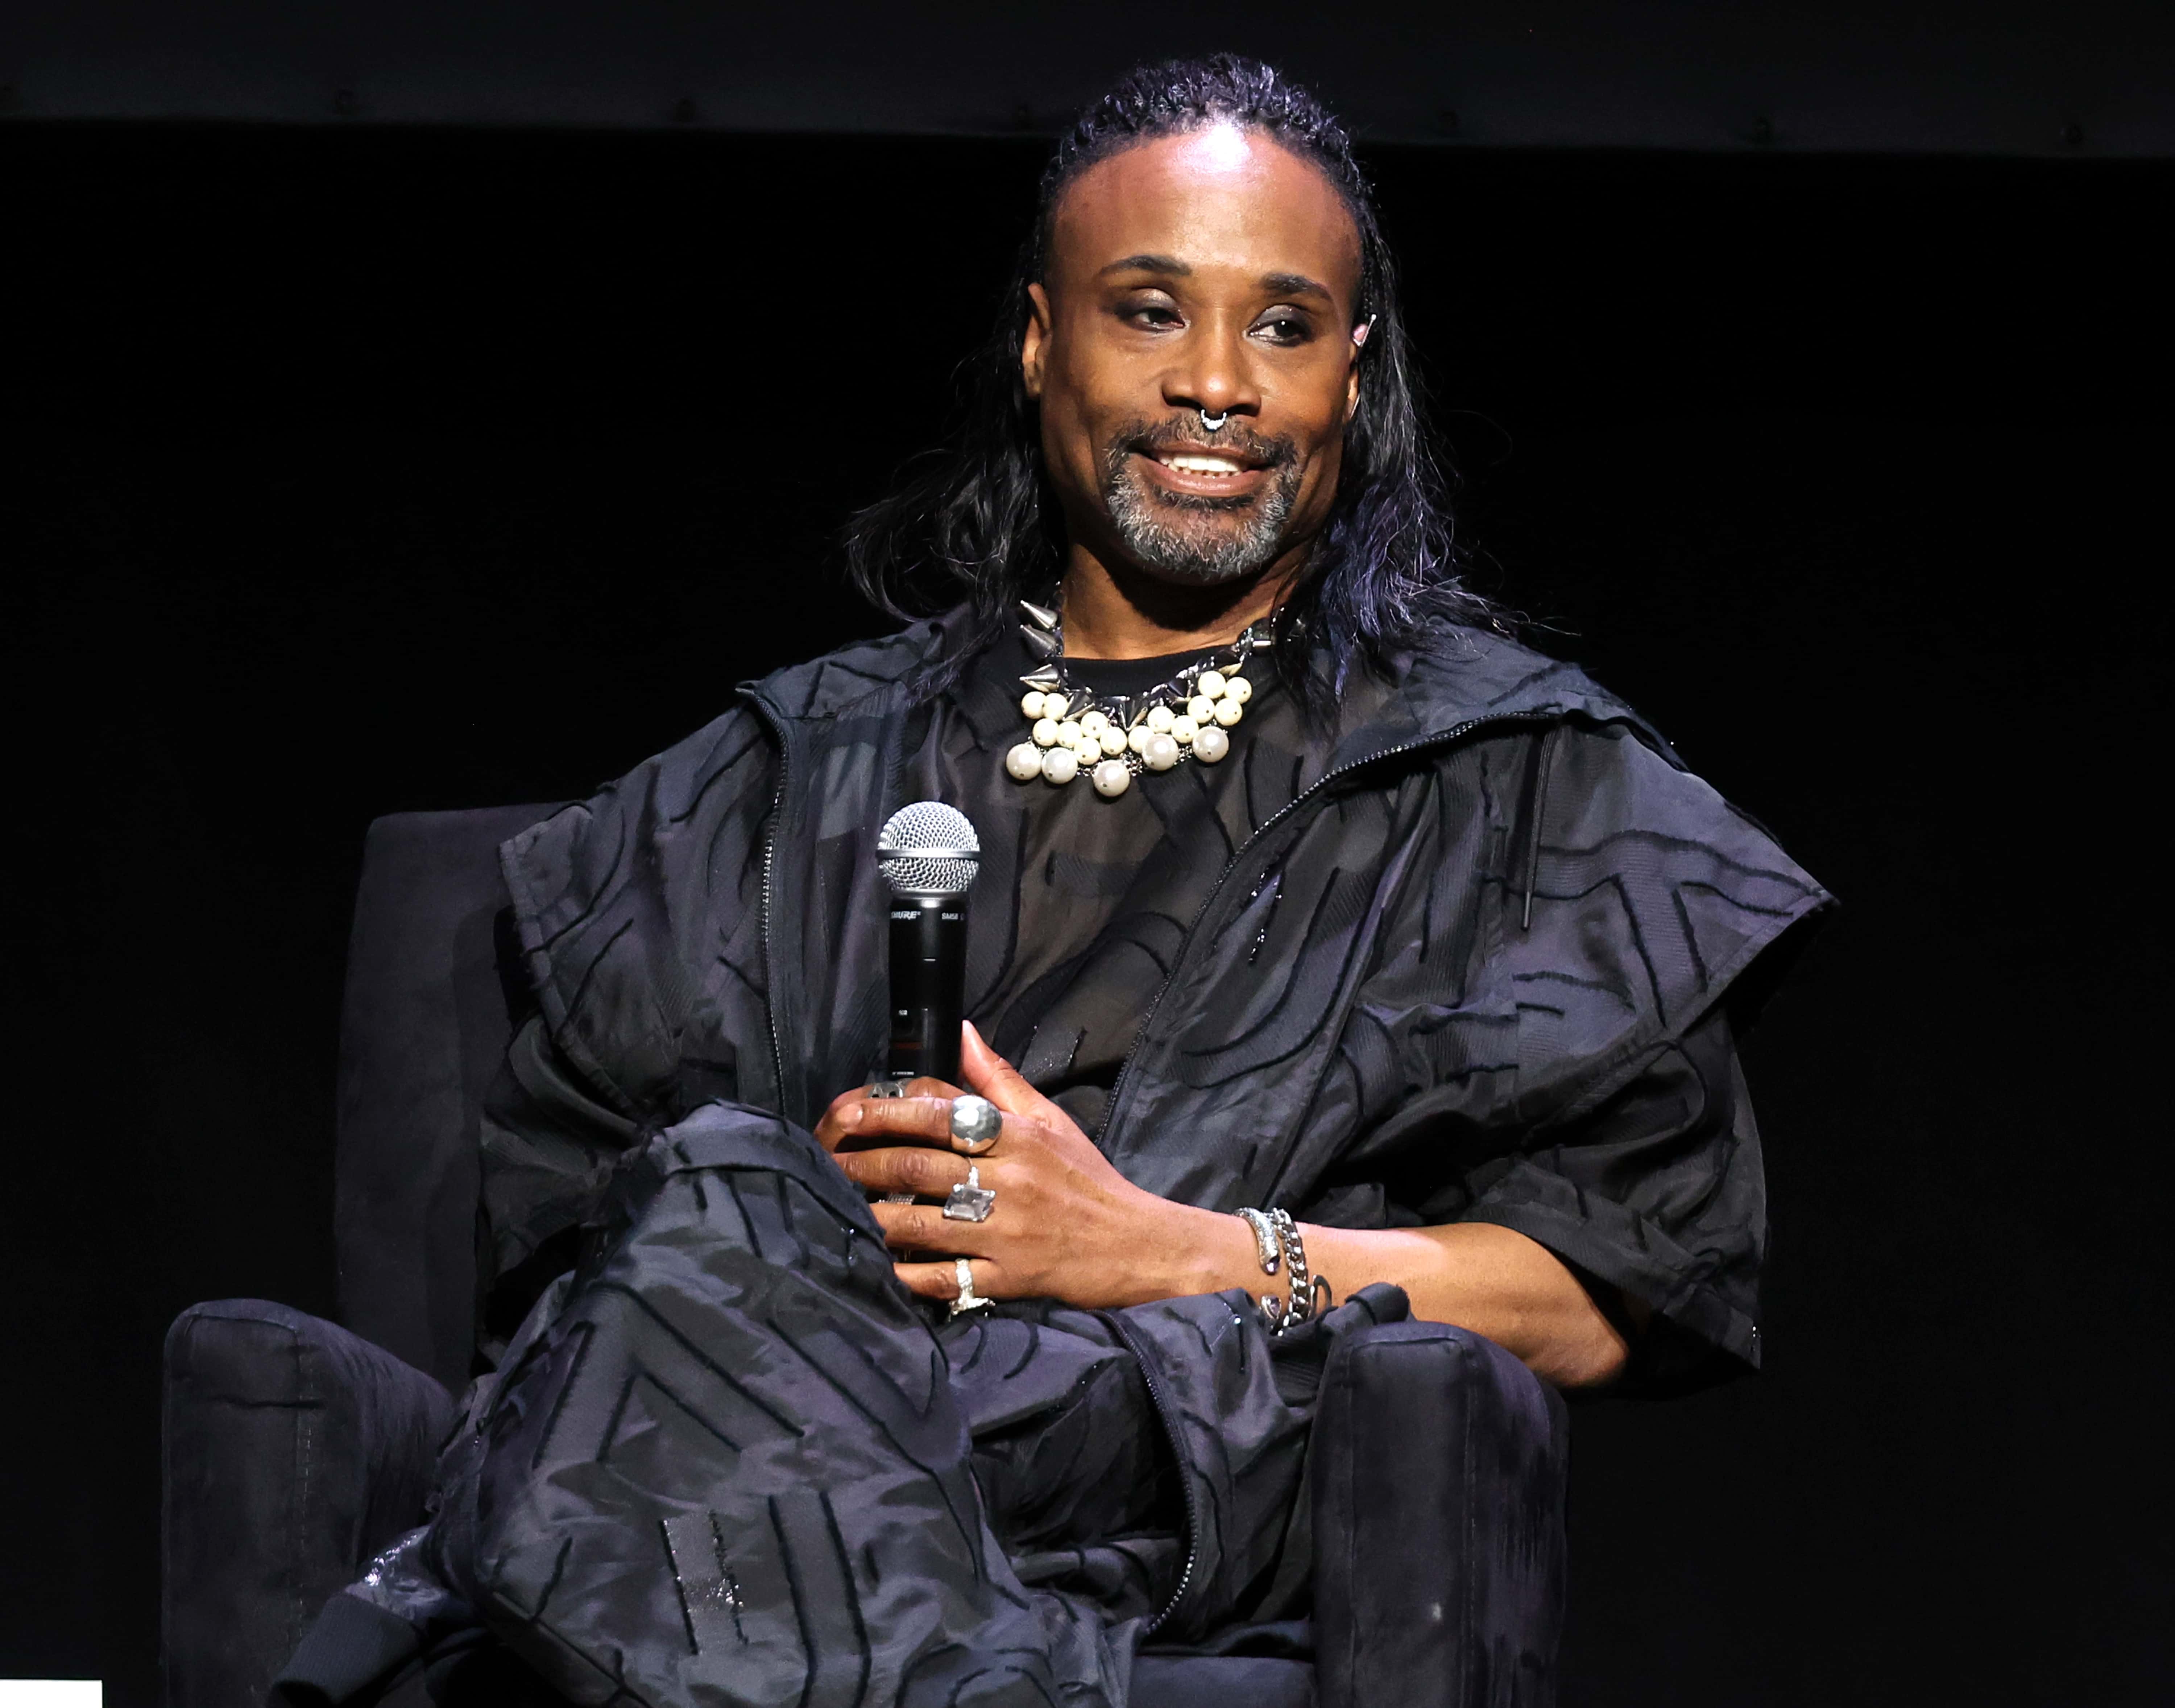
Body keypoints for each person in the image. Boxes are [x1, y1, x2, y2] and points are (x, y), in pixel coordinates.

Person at [276, 53, 1829, 1708]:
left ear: (1354, 380)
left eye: (1284, 325)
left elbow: (1611, 1294)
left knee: (660, 1353)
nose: (1218, 381)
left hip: (1176, 1448)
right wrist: (807, 1247)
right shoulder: (776, 775)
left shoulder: (1509, 779)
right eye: (1150, 310)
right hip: (775, 1410)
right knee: (721, 1195)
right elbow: (569, 1257)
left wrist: (1158, 1246)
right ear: (1041, 340)